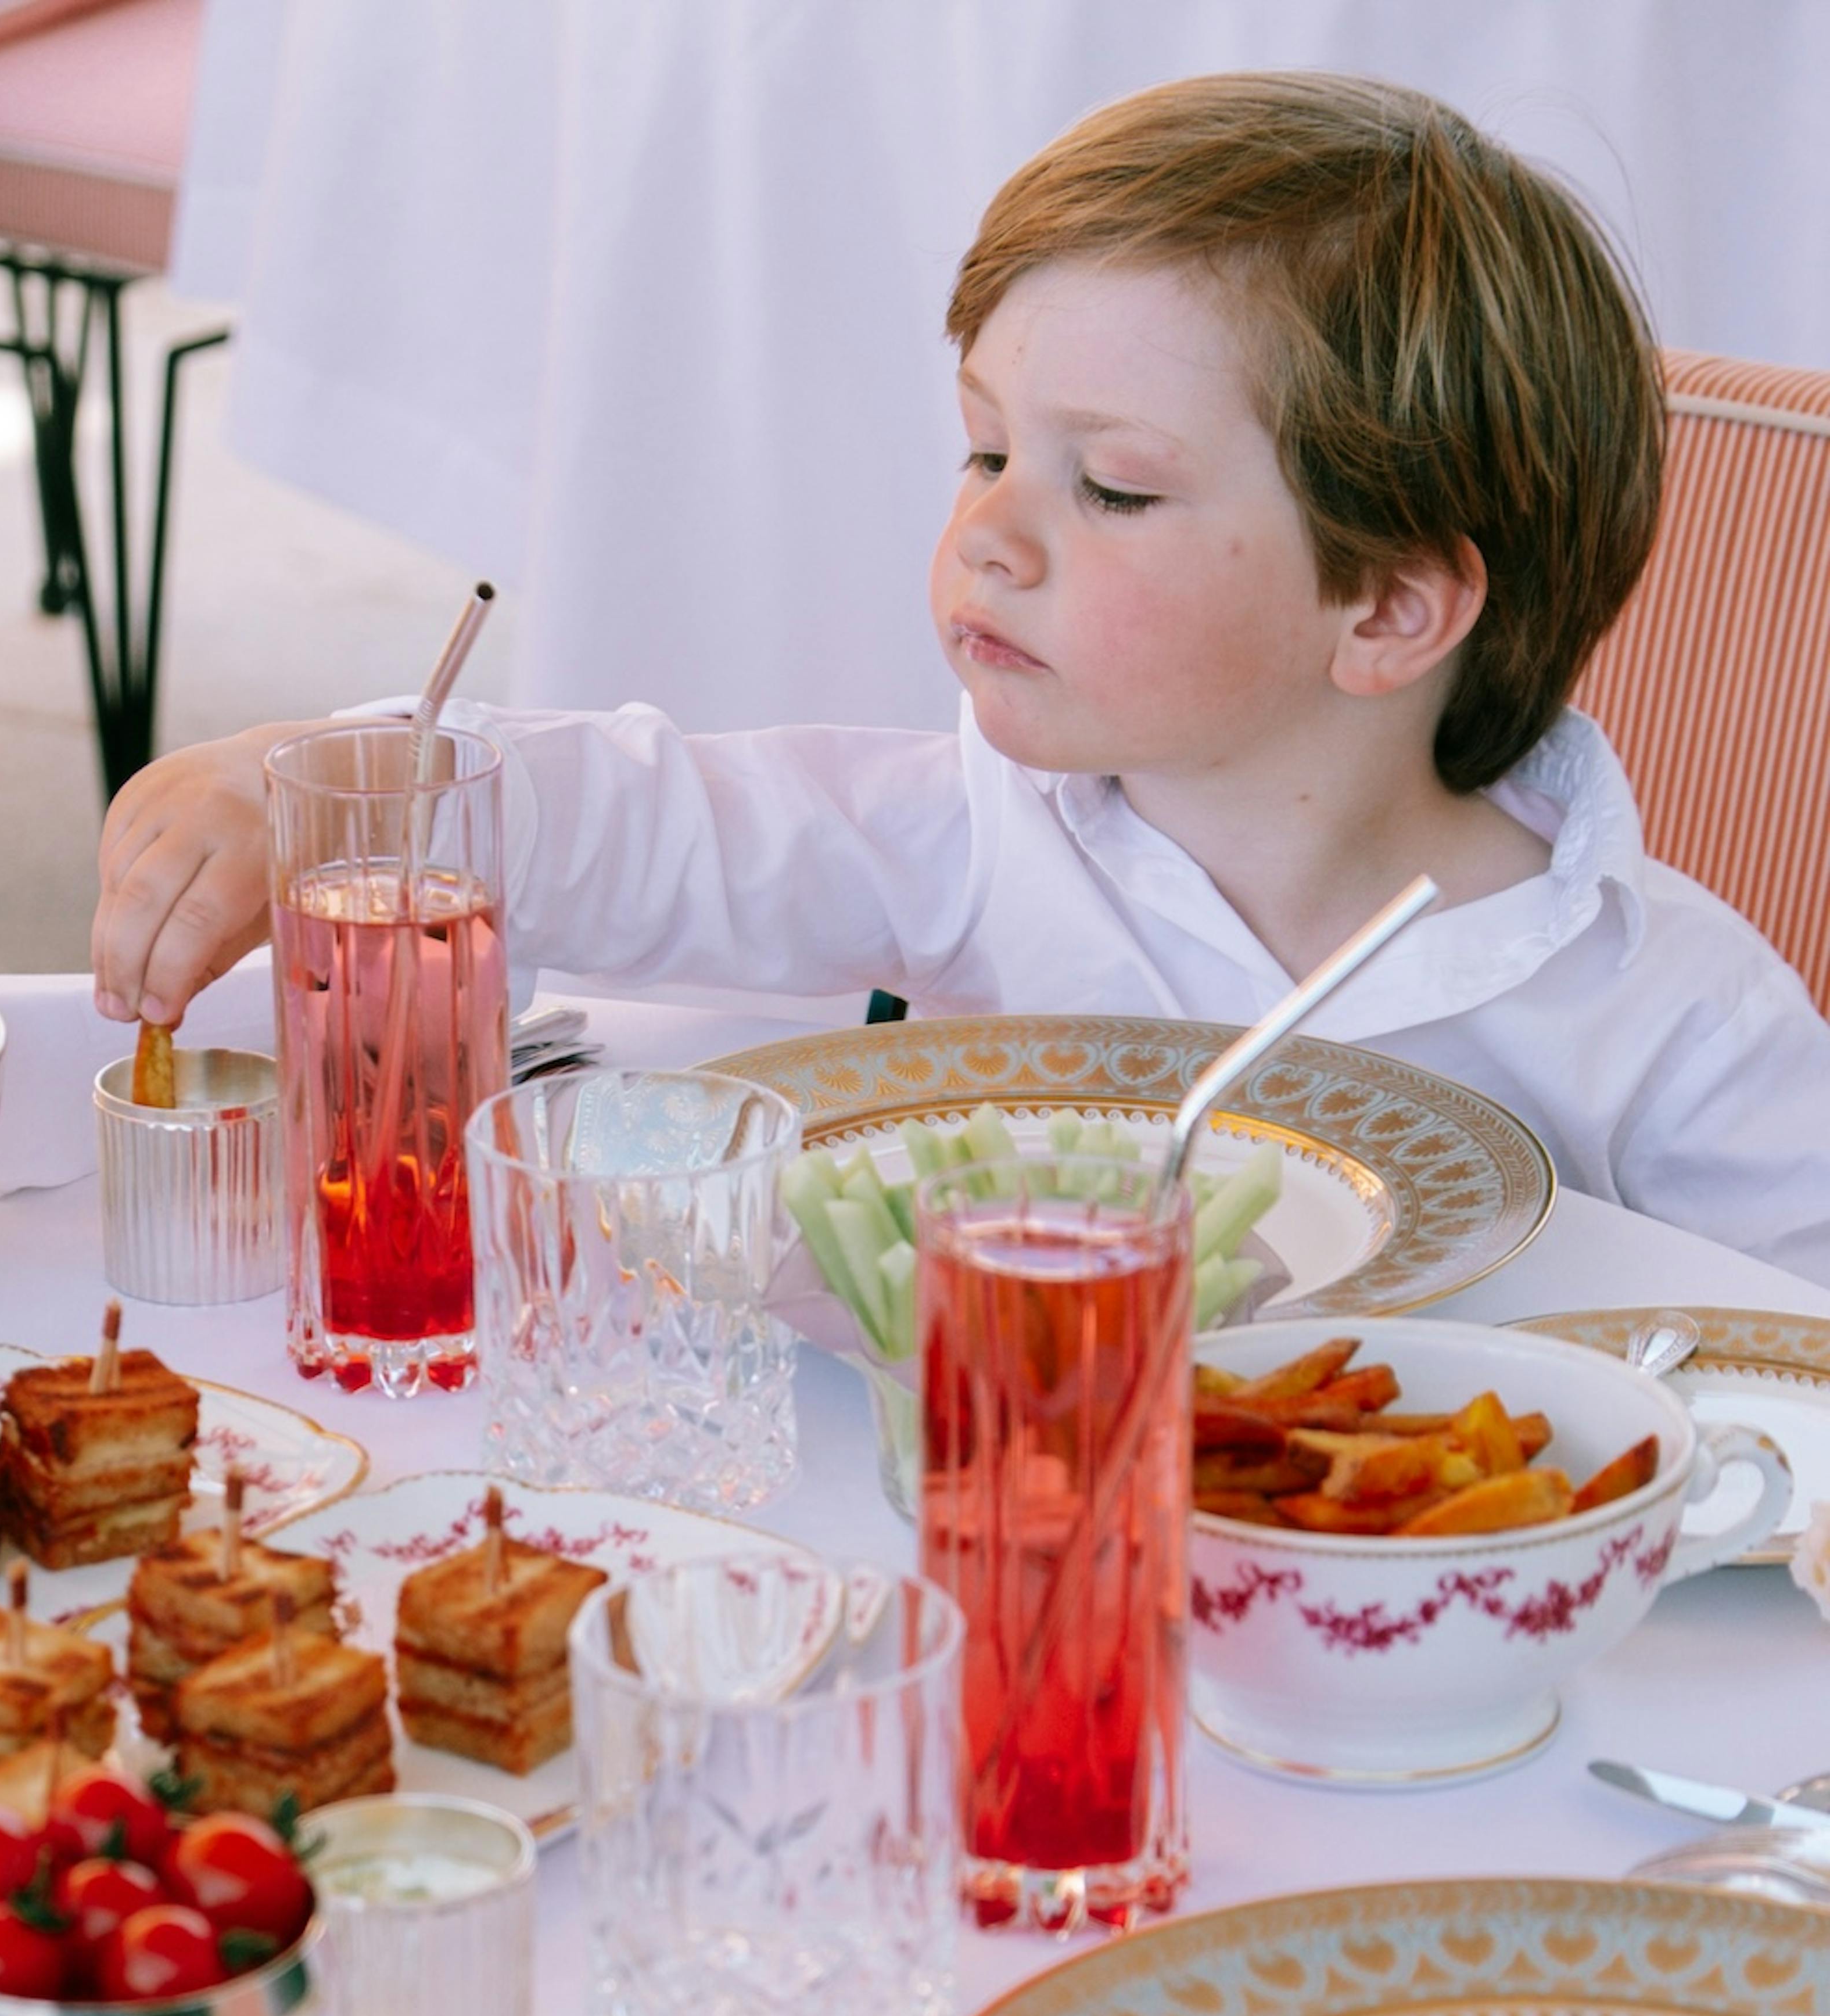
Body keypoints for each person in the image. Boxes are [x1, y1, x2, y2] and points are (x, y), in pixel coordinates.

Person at [91, 71, 1830, 1283]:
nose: (992, 537)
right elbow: (652, 818)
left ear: (1385, 609)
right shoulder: (987, 838)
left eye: (1116, 488)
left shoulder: (1668, 1013)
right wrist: (335, 778)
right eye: (985, 451)